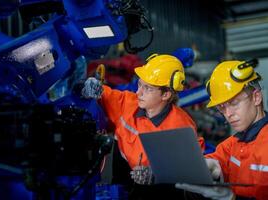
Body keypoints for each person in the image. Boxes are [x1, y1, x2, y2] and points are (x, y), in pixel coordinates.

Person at [82, 53, 205, 198]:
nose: (138, 92)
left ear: (166, 95)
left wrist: (158, 175)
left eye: (147, 88)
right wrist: (89, 86)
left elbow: (194, 169)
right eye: (140, 84)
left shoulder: (181, 127)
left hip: (158, 188)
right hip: (123, 174)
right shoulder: (128, 103)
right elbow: (102, 94)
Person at [176, 59, 268, 200]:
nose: (228, 114)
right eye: (222, 108)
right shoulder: (231, 145)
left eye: (234, 103)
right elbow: (215, 163)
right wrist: (206, 167)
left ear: (256, 97)